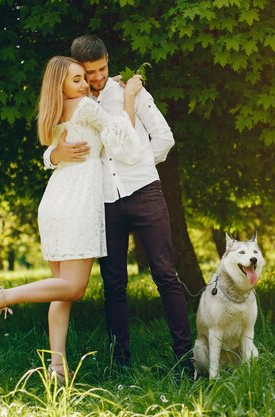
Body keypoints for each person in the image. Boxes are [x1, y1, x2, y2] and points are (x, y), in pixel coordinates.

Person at [0, 56, 143, 383]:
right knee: (73, 288)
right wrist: (130, 94)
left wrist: (53, 155)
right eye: (75, 79)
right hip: (77, 204)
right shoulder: (86, 107)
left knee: (59, 291)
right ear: (59, 83)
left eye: (83, 78)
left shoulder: (57, 112)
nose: (84, 84)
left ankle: (57, 369)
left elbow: (51, 154)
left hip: (55, 203)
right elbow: (123, 137)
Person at [44, 35, 193, 372]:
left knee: (165, 276)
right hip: (104, 202)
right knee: (114, 285)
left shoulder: (130, 91)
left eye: (101, 70)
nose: (95, 78)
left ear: (108, 60)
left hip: (144, 193)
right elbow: (56, 141)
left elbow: (165, 138)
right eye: (88, 73)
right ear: (76, 70)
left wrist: (139, 166)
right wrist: (53, 155)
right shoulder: (76, 100)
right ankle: (120, 364)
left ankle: (185, 360)